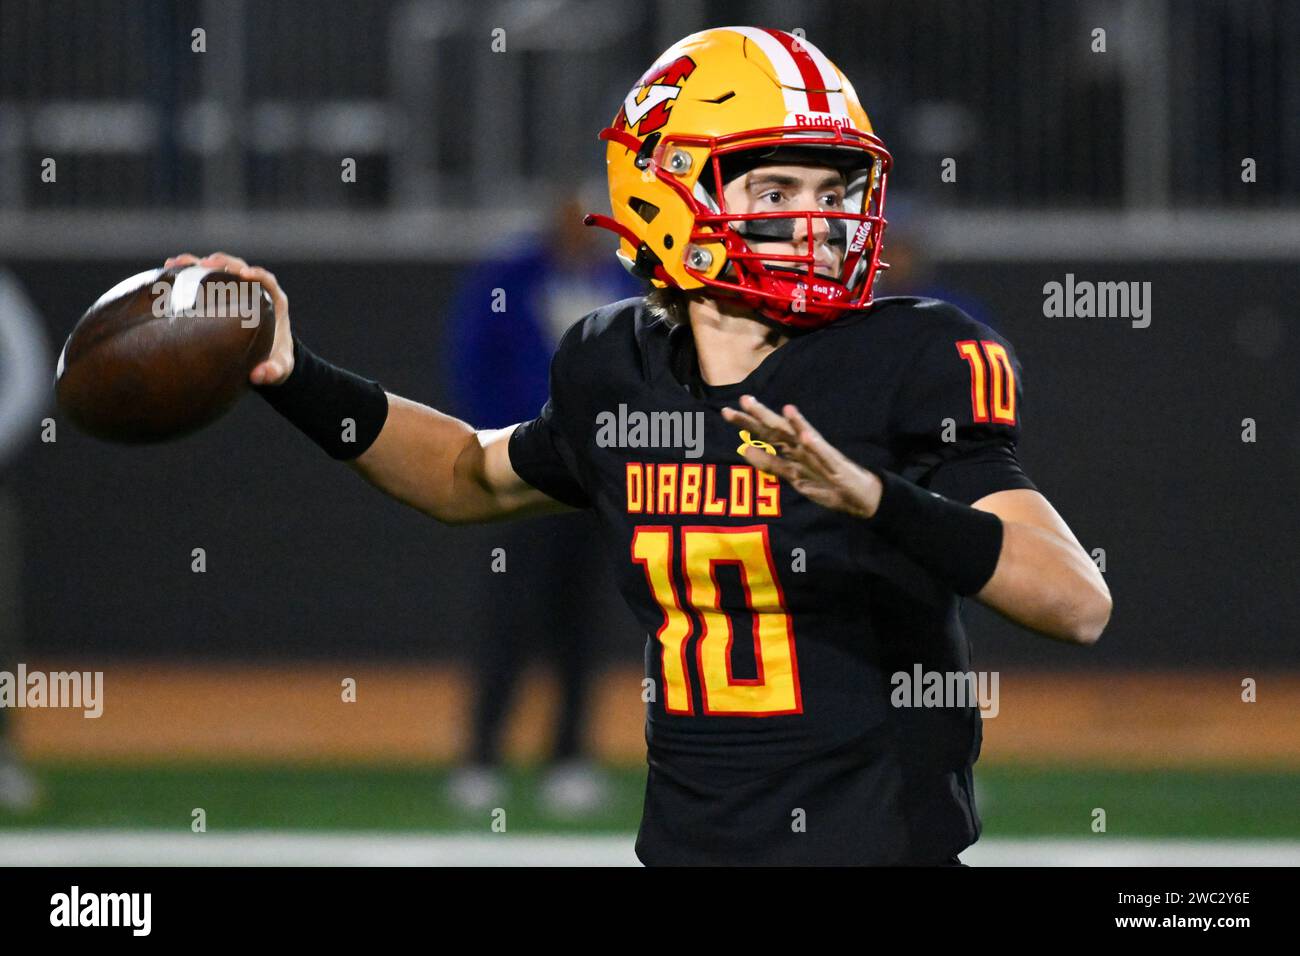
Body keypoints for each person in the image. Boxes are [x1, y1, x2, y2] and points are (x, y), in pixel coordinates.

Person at [164, 27, 1110, 865]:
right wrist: (294, 376)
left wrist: (876, 500)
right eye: (775, 187)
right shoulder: (614, 364)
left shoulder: (916, 354)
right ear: (668, 193)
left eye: (835, 188)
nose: (818, 224)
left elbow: (1074, 602)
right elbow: (465, 476)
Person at [442, 188, 641, 815]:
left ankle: (570, 756)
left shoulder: (621, 278)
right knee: (510, 617)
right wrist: (506, 449)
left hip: (598, 484)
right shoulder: (508, 279)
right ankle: (481, 757)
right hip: (526, 475)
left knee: (584, 622)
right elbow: (472, 364)